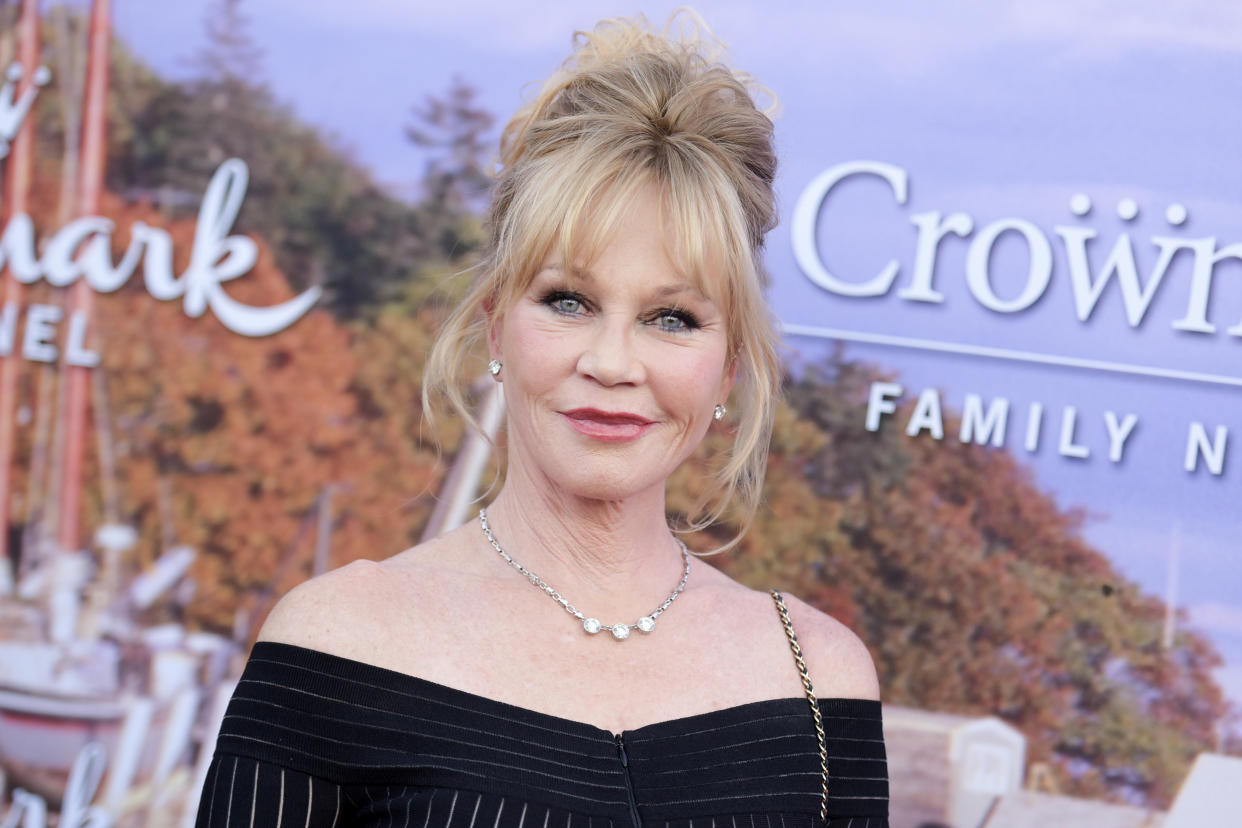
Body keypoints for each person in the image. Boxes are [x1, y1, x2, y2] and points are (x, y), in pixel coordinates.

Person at [196, 12, 888, 828]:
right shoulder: (341, 645)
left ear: (728, 363)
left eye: (672, 317)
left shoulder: (818, 681)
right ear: (496, 328)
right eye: (569, 301)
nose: (612, 361)